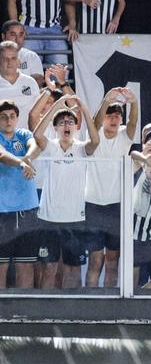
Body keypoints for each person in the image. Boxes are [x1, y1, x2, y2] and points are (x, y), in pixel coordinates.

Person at [32, 92, 100, 289]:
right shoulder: (49, 146)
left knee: (73, 268)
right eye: (62, 122)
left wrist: (84, 109)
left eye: (70, 121)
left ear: (76, 127)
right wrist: (57, 105)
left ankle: (71, 310)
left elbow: (95, 141)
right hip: (49, 217)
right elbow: (37, 134)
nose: (66, 125)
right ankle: (44, 314)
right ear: (55, 128)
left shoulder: (81, 148)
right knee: (49, 268)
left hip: (75, 218)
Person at [85, 87, 138, 290]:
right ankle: (91, 302)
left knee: (112, 261)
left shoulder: (125, 136)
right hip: (93, 206)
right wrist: (106, 100)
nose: (114, 119)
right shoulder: (95, 134)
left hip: (117, 207)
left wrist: (134, 102)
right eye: (110, 115)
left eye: (117, 116)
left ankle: (108, 304)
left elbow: (133, 122)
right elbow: (96, 122)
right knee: (95, 260)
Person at [0, 97, 39, 289]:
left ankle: (27, 312)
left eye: (12, 116)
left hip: (27, 209)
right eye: (4, 117)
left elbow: (34, 145)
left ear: (17, 118)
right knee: (1, 266)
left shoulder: (24, 133)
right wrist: (22, 162)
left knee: (26, 265)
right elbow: (2, 155)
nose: (8, 120)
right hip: (2, 211)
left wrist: (28, 157)